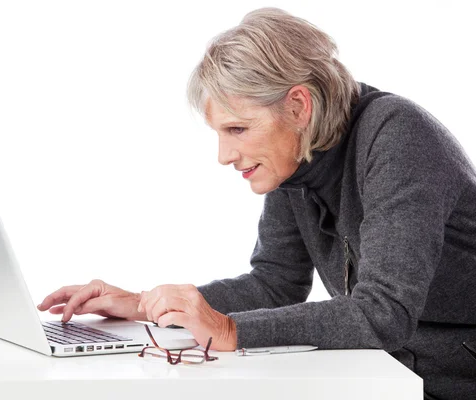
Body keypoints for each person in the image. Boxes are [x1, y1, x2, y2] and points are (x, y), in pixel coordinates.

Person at [37, 7, 476, 399]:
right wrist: (144, 304)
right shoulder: (299, 158)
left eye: (238, 130)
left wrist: (230, 331)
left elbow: (385, 313)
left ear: (299, 106)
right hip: (389, 376)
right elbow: (275, 283)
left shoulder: (398, 137)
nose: (224, 156)